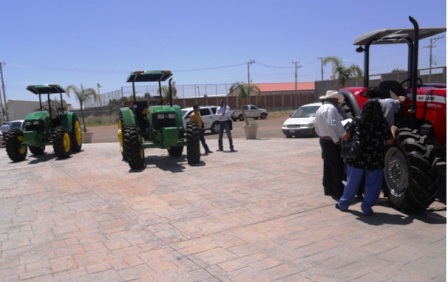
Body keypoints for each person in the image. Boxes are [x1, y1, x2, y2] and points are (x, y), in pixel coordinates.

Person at [336, 99, 394, 216]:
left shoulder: (357, 121)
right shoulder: (383, 123)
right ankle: (367, 208)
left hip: (357, 157)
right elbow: (389, 142)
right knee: (373, 185)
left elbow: (345, 137)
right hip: (375, 158)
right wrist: (393, 130)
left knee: (352, 183)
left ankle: (344, 204)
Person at [314, 90, 346, 200]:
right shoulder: (331, 109)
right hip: (331, 141)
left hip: (324, 140)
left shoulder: (320, 109)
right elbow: (331, 125)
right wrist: (336, 139)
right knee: (336, 166)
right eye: (337, 100)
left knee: (328, 165)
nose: (337, 103)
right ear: (333, 99)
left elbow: (317, 126)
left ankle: (329, 189)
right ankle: (338, 191)